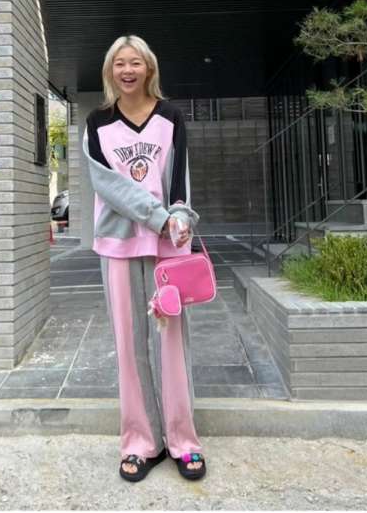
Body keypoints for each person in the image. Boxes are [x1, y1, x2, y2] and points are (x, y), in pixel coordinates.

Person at [82, 35, 206, 482]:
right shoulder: (97, 122)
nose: (127, 70)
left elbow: (178, 181)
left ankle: (183, 441)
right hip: (118, 246)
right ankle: (140, 441)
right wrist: (158, 217)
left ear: (149, 68)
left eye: (135, 62)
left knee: (171, 344)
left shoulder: (171, 116)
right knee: (129, 345)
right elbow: (107, 185)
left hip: (168, 247)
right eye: (120, 63)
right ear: (110, 71)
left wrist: (178, 217)